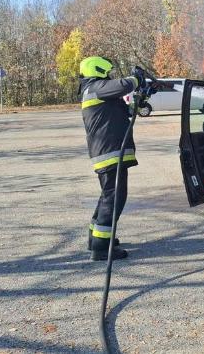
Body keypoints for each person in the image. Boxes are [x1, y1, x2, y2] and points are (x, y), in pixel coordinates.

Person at [78, 56, 144, 261]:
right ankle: (101, 247)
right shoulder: (95, 87)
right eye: (107, 73)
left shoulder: (97, 90)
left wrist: (139, 100)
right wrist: (137, 79)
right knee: (114, 197)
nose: (110, 76)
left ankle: (96, 237)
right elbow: (123, 84)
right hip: (110, 152)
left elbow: (124, 111)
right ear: (98, 70)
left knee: (108, 195)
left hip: (110, 152)